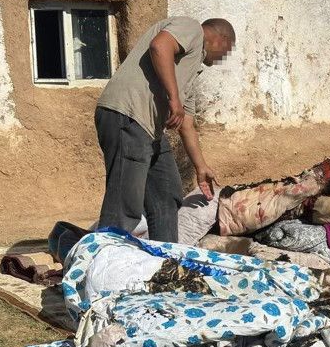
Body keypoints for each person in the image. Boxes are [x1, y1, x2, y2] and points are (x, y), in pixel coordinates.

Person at [94, 17, 235, 242]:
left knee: (166, 191)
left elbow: (186, 122)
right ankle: (104, 253)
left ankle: (166, 255)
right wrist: (173, 97)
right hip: (127, 115)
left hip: (148, 129)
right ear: (222, 39)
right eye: (227, 50)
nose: (224, 58)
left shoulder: (190, 69)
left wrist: (201, 167)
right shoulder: (192, 29)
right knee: (125, 203)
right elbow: (160, 46)